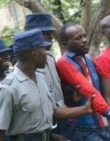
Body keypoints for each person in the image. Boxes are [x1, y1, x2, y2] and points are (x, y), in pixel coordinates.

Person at [0, 29, 94, 141]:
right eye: (44, 50)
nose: (47, 53)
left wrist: (84, 109)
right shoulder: (8, 88)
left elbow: (53, 111)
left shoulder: (40, 78)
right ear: (35, 54)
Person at [56, 22, 110, 141]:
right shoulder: (64, 63)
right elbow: (88, 90)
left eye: (84, 36)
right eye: (78, 38)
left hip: (104, 124)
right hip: (84, 128)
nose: (84, 40)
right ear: (65, 44)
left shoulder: (89, 59)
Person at [24, 13, 84, 141]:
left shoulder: (50, 59)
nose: (50, 37)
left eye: (50, 32)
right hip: (44, 129)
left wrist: (72, 98)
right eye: (45, 33)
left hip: (64, 122)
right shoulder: (25, 65)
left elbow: (56, 94)